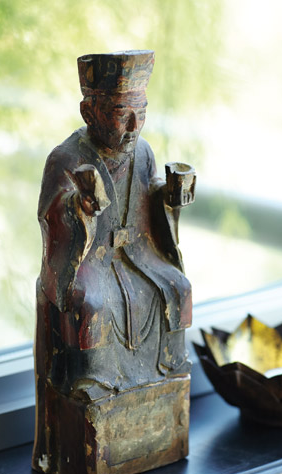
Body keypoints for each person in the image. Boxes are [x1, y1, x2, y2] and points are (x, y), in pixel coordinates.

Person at [34, 50, 193, 404]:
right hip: (91, 259)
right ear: (89, 112)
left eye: (142, 113)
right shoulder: (66, 158)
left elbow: (149, 196)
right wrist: (79, 207)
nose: (134, 126)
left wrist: (170, 195)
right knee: (91, 301)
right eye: (123, 115)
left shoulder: (144, 153)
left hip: (138, 253)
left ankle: (169, 364)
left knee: (176, 286)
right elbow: (51, 215)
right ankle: (92, 376)